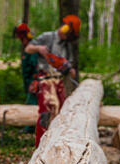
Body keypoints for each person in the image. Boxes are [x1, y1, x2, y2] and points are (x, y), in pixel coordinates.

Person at [25, 15, 81, 147]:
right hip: (45, 79)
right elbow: (28, 48)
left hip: (59, 81)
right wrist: (38, 48)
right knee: (46, 113)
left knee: (61, 113)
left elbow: (68, 64)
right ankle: (41, 147)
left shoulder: (67, 46)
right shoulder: (47, 37)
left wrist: (70, 70)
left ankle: (56, 145)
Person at [14, 23, 38, 133]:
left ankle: (30, 126)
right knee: (32, 101)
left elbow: (36, 66)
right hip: (29, 79)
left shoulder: (32, 48)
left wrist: (35, 81)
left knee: (32, 102)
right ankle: (32, 125)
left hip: (33, 80)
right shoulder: (28, 47)